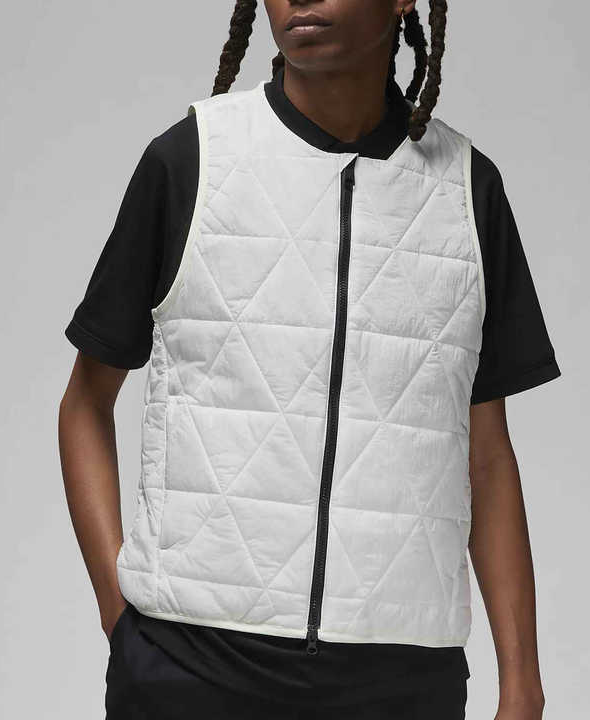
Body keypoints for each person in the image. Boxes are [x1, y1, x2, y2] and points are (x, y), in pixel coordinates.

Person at [58, 1, 561, 718]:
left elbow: (486, 455)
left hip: (400, 684)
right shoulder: (190, 160)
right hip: (191, 670)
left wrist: (522, 682)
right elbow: (86, 403)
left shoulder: (467, 191)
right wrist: (124, 622)